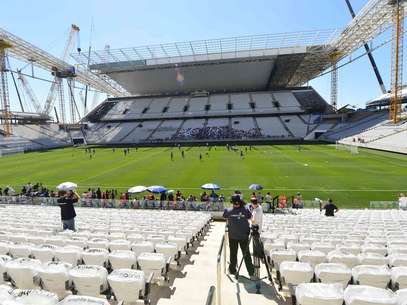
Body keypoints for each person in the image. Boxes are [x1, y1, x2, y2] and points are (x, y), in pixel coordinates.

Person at [223, 194, 255, 279]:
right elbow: (250, 216)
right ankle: (251, 273)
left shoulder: (228, 210)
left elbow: (225, 216)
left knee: (234, 254)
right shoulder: (245, 210)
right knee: (246, 255)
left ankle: (233, 270)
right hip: (242, 236)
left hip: (234, 236)